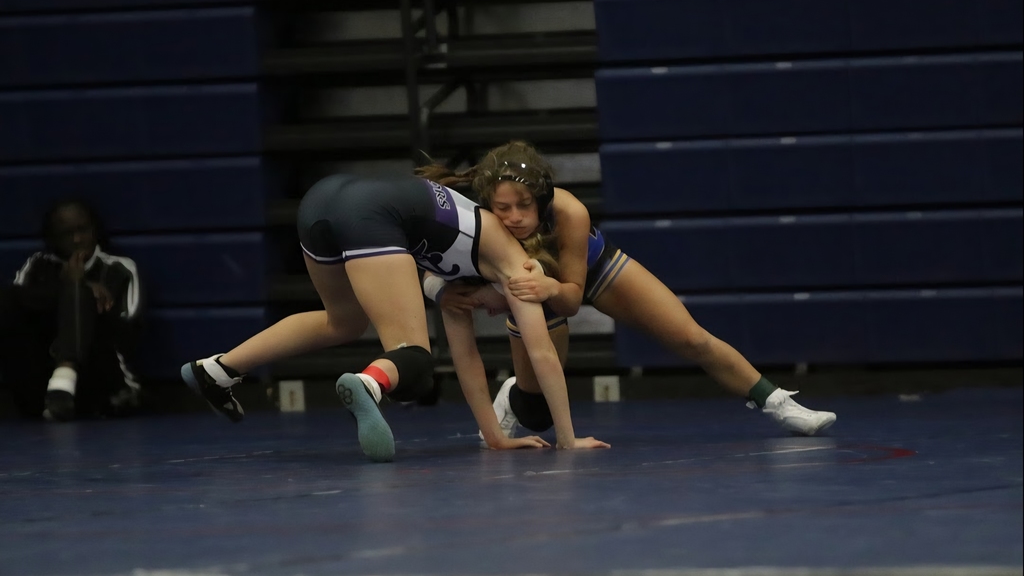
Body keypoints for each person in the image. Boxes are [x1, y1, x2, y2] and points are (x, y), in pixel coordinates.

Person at [416, 141, 837, 439]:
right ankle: (516, 394)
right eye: (502, 208)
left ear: (542, 197)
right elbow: (426, 265)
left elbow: (573, 298)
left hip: (591, 270)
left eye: (524, 206)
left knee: (691, 336)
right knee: (537, 412)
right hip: (532, 294)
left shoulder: (569, 212)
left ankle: (779, 402)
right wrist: (439, 292)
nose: (513, 218)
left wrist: (549, 285)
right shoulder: (477, 220)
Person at [180, 173, 608, 463]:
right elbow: (543, 355)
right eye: (496, 305)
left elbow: (468, 361)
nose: (492, 310)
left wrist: (495, 437)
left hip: (322, 201)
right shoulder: (520, 272)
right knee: (415, 359)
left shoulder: (452, 280)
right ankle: (368, 382)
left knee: (342, 320)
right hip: (371, 216)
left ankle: (217, 370)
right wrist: (567, 441)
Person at [0, 199, 143, 422]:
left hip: (104, 382)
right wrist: (69, 288)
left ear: (95, 229)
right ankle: (58, 387)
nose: (77, 240)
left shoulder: (119, 268)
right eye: (66, 233)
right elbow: (13, 309)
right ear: (53, 238)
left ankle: (65, 375)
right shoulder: (37, 265)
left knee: (78, 293)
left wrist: (81, 295)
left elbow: (126, 334)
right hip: (42, 381)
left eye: (82, 230)